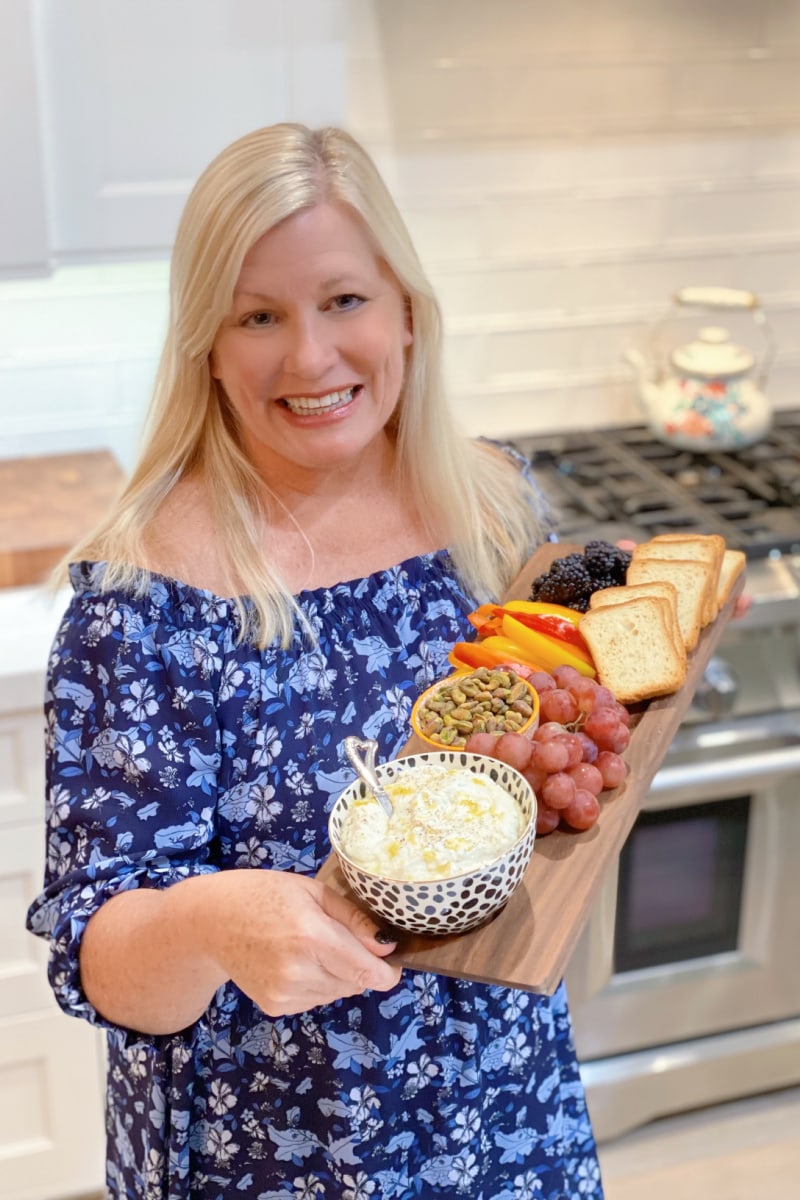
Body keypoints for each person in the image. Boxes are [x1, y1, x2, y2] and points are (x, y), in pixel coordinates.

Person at [26, 123, 604, 1199]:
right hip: (277, 1160)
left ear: (405, 312)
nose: (309, 357)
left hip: (507, 1115)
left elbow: (560, 740)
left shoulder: (487, 503)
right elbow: (96, 960)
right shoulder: (147, 605)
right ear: (206, 341)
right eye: (258, 316)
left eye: (343, 300)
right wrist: (209, 920)